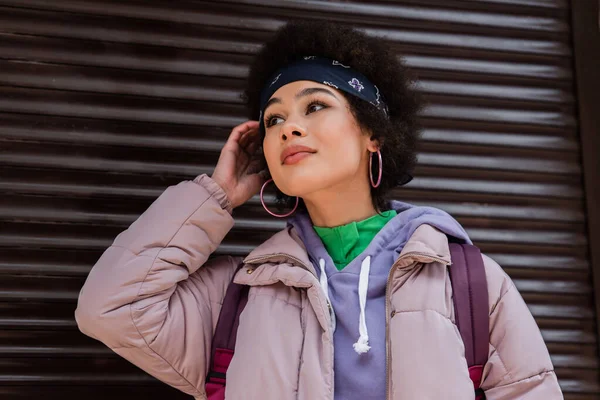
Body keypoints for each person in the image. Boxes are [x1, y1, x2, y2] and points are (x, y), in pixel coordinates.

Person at [75, 20, 563, 400]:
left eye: (315, 107)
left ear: (373, 133)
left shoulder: (467, 281)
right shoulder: (239, 296)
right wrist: (216, 195)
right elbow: (110, 309)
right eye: (274, 118)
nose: (289, 128)